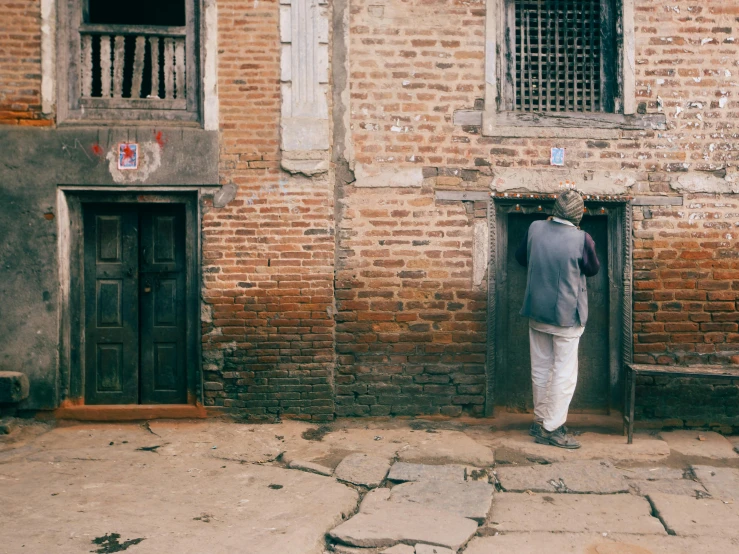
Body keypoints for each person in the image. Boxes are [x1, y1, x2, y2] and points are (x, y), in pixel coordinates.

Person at [514, 190, 600, 449]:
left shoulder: (535, 228)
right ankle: (552, 428)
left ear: (555, 210)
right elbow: (592, 269)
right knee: (564, 373)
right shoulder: (582, 238)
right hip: (566, 315)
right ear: (578, 215)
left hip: (536, 311)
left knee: (540, 368)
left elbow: (521, 258)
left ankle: (540, 420)